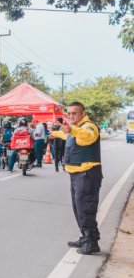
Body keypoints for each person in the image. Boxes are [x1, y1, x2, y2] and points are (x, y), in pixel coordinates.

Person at [51, 102, 102, 255]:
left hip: (87, 174)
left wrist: (71, 129)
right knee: (79, 208)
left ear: (82, 113)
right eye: (69, 113)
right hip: (77, 175)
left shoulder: (89, 127)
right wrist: (55, 133)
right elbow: (68, 136)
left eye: (74, 113)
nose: (71, 116)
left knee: (86, 209)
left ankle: (91, 243)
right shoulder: (75, 129)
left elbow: (87, 136)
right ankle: (86, 237)